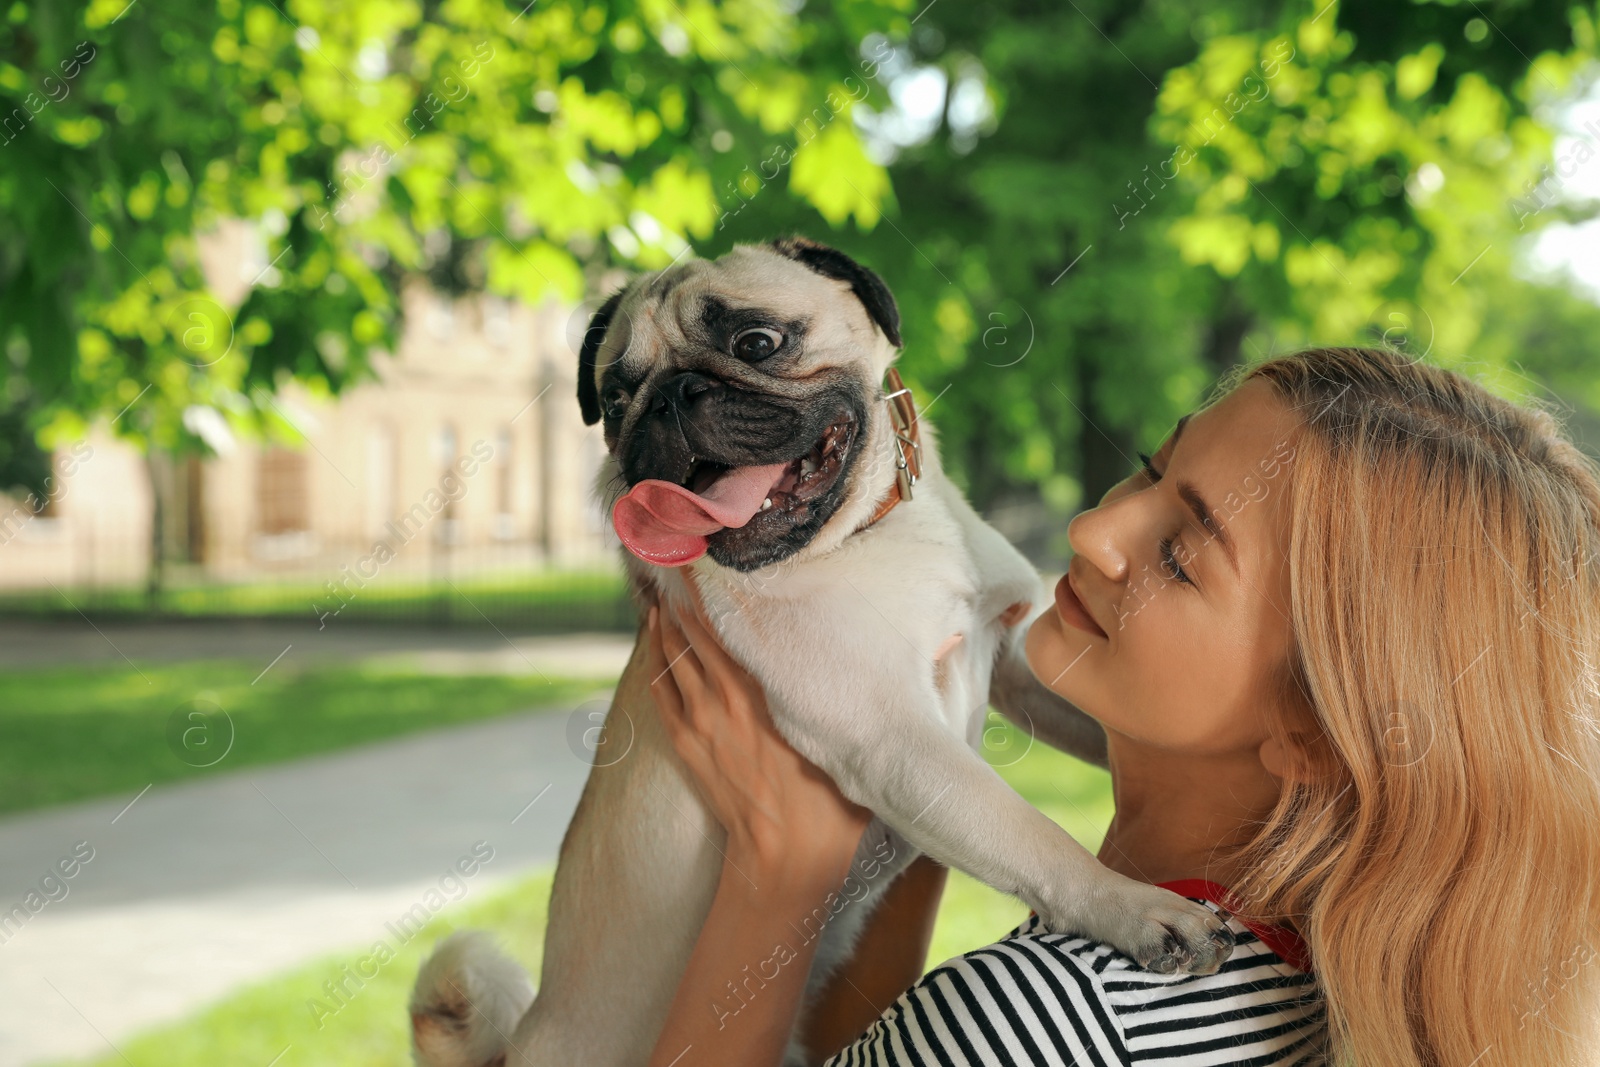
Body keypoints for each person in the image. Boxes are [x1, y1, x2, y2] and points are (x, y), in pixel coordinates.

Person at [640, 346, 1600, 1067]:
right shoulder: (1306, 984)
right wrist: (920, 786)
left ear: (1315, 727)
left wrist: (780, 881)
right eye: (1150, 468)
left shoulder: (1046, 1017)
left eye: (1184, 555)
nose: (1094, 528)